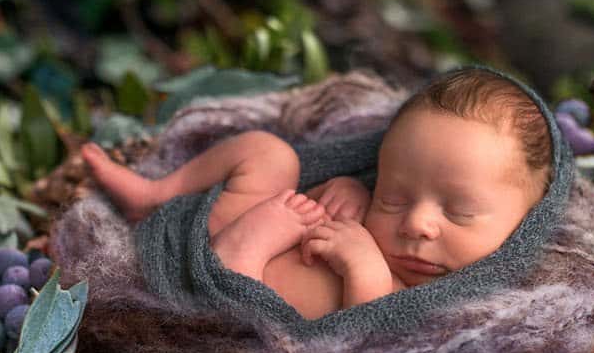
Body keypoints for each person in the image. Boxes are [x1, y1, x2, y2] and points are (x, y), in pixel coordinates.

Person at [79, 66, 554, 320]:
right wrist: (348, 189)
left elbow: (369, 337)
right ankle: (157, 194)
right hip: (235, 226)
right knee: (270, 154)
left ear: (526, 224)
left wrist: (364, 264)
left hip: (238, 291)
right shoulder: (381, 214)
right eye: (394, 196)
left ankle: (236, 253)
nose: (416, 224)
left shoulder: (445, 303)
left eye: (460, 210)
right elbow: (345, 196)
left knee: (247, 274)